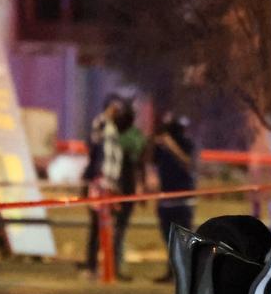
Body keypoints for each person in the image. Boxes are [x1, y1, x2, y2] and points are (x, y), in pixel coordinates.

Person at [83, 95, 126, 278]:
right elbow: (93, 140)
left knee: (109, 226)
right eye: (113, 107)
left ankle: (104, 266)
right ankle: (91, 266)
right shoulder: (101, 123)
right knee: (96, 225)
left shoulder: (115, 129)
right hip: (100, 182)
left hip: (111, 183)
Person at [151, 112, 196, 283]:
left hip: (183, 201)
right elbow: (152, 163)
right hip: (165, 200)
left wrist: (172, 146)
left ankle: (185, 275)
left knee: (183, 240)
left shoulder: (187, 144)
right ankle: (171, 272)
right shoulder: (162, 149)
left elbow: (189, 163)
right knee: (168, 240)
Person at [113, 103, 147, 281]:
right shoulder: (134, 136)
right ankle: (115, 266)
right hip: (124, 185)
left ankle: (116, 266)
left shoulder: (119, 135)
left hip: (124, 185)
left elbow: (140, 164)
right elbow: (141, 165)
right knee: (118, 228)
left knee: (119, 228)